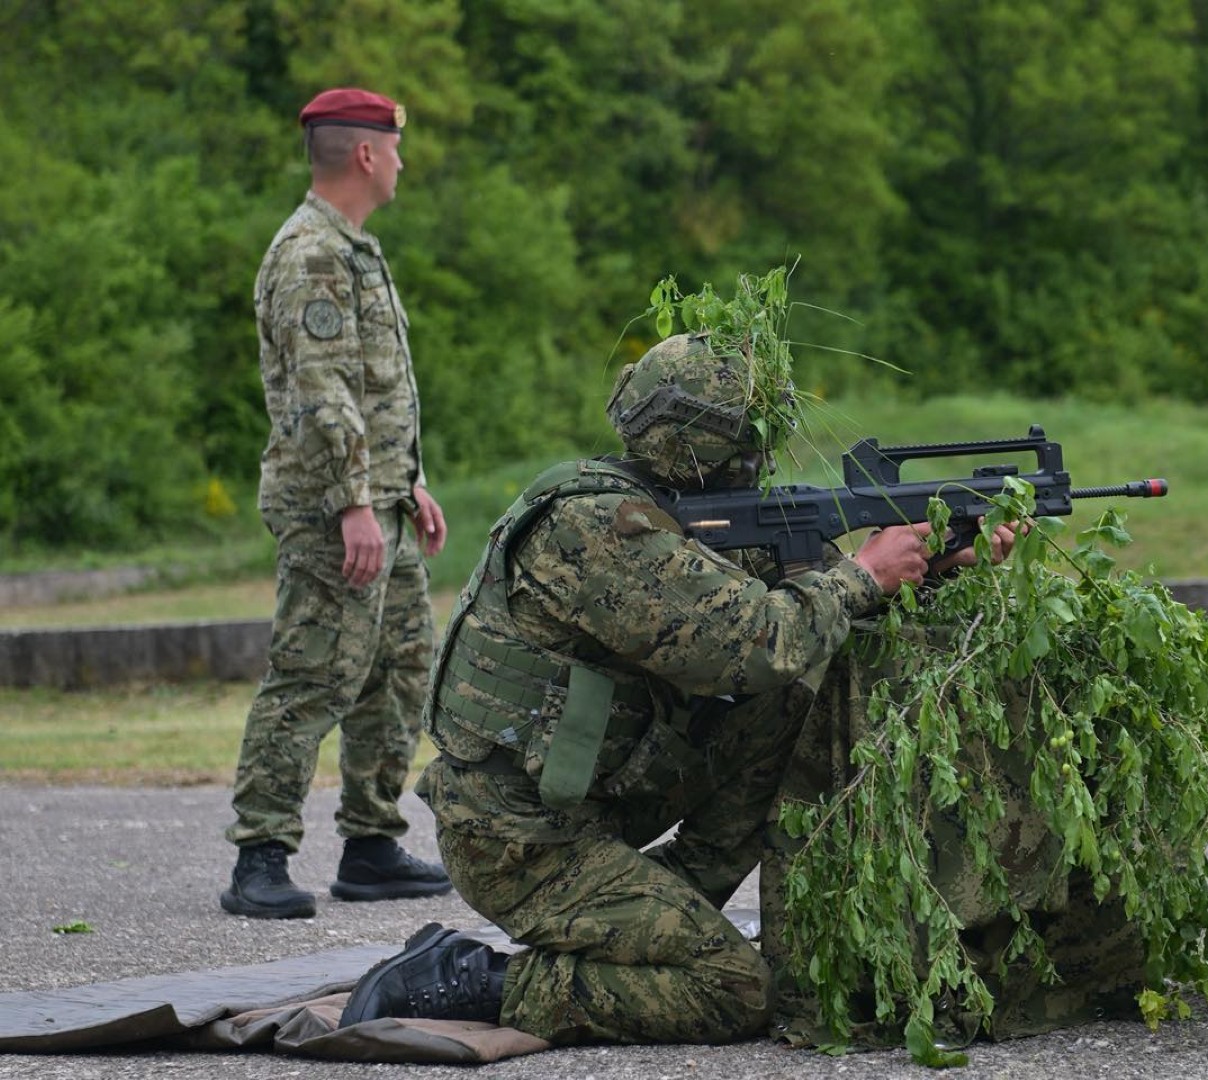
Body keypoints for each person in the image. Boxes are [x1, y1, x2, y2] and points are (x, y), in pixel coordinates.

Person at [337, 331, 1020, 1042]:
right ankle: (476, 978)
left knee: (789, 704)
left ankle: (670, 913)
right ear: (709, 447)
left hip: (589, 799)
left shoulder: (690, 509)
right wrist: (862, 575)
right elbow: (758, 642)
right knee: (733, 992)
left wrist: (938, 564)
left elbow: (815, 611)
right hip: (520, 841)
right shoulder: (599, 526)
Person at [220, 87, 452, 919]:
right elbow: (321, 392)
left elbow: (369, 388)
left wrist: (403, 483)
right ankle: (260, 854)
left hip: (377, 498)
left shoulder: (349, 248)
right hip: (330, 509)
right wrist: (354, 501)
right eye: (395, 148)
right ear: (364, 153)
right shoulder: (311, 253)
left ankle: (371, 844)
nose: (401, 162)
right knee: (312, 674)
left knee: (399, 667)